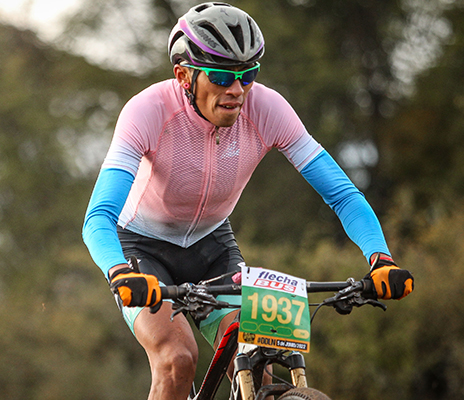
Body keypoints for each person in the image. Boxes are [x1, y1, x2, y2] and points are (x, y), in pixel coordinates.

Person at [82, 3, 414, 399]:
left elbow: (342, 195)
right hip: (141, 250)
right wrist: (119, 271)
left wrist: (380, 258)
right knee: (177, 359)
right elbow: (98, 217)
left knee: (257, 359)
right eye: (222, 76)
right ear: (184, 75)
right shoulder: (147, 111)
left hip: (212, 246)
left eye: (248, 75)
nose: (237, 90)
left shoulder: (268, 109)